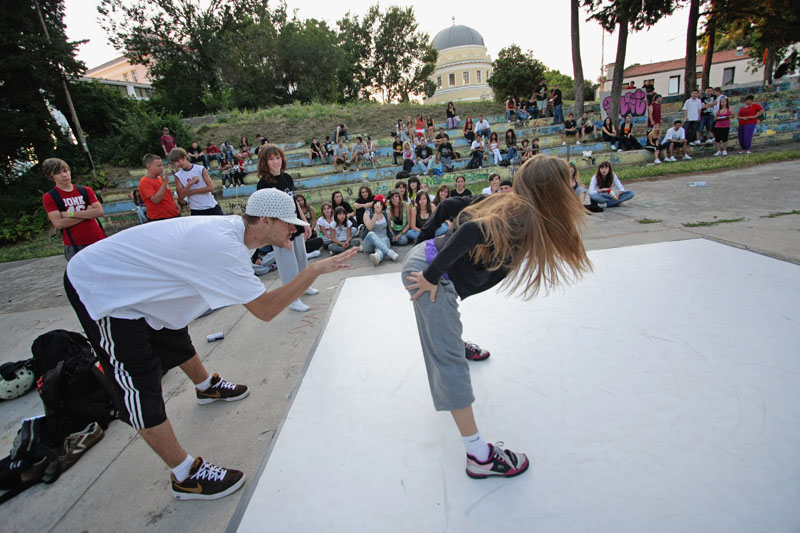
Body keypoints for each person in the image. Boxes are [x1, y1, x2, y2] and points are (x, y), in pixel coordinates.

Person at [64, 187, 357, 501]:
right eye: (289, 223)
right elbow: (266, 309)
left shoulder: (238, 234)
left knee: (173, 331)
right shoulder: (225, 247)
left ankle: (205, 386)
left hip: (140, 284)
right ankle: (185, 476)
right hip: (102, 286)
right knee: (139, 380)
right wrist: (312, 270)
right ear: (266, 221)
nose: (295, 229)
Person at [402, 155, 590, 480]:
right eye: (567, 181)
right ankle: (479, 457)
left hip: (432, 261)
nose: (571, 186)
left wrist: (425, 248)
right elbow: (471, 229)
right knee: (448, 363)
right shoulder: (522, 214)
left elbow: (448, 207)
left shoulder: (515, 204)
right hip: (431, 275)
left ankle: (453, 339)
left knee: (448, 333)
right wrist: (431, 274)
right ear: (551, 189)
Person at [256, 145, 318, 313]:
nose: (275, 162)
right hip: (280, 232)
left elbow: (294, 201)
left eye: (277, 158)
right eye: (271, 159)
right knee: (287, 266)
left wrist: (304, 222)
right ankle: (292, 299)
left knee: (301, 260)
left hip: (294, 225)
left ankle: (303, 287)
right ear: (265, 163)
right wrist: (279, 236)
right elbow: (267, 214)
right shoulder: (263, 184)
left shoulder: (287, 177)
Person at [41, 158, 106, 262]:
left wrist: (69, 214)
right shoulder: (50, 197)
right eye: (58, 173)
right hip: (75, 244)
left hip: (98, 239)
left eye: (66, 171)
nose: (64, 175)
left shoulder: (85, 190)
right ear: (51, 176)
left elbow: (99, 212)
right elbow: (58, 223)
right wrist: (87, 214)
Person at [169, 148, 222, 216]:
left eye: (178, 161)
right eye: (174, 162)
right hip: (196, 209)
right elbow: (181, 196)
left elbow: (210, 188)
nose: (177, 164)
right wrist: (190, 184)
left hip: (210, 205)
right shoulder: (178, 175)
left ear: (184, 158)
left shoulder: (200, 169)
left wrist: (191, 192)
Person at [139, 154, 180, 221]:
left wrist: (175, 205)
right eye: (159, 166)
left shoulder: (160, 178)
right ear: (149, 167)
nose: (162, 168)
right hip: (160, 218)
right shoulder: (145, 182)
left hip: (173, 215)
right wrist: (164, 183)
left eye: (162, 165)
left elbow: (167, 196)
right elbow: (156, 200)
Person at [361, 194, 399, 265]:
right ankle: (389, 252)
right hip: (370, 242)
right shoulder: (367, 213)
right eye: (376, 203)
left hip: (384, 239)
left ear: (383, 206)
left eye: (380, 204)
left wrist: (392, 235)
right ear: (373, 203)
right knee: (371, 233)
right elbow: (370, 228)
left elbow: (389, 227)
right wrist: (376, 214)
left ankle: (377, 257)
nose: (378, 205)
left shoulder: (386, 213)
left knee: (380, 247)